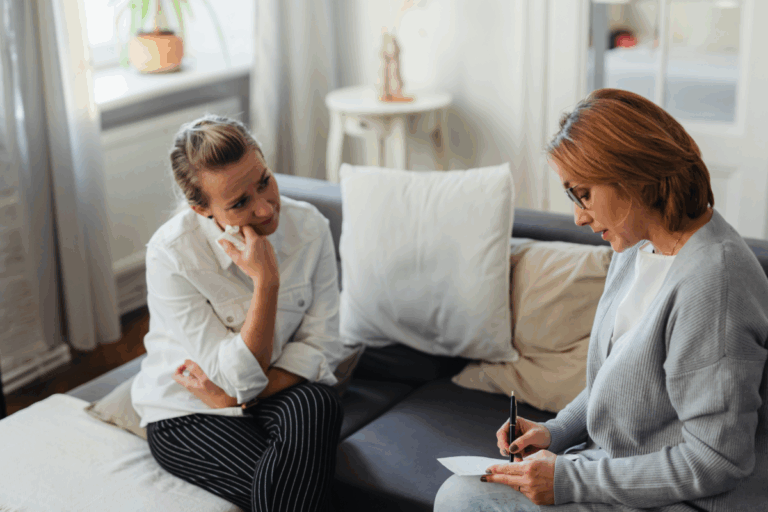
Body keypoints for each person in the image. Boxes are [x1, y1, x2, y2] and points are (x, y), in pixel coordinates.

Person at [434, 88, 768, 511]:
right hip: (612, 472)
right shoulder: (636, 246)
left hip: (675, 500)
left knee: (463, 498)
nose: (578, 216)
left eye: (583, 193)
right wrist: (556, 431)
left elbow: (717, 460)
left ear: (632, 176)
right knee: (464, 492)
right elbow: (615, 381)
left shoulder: (715, 285)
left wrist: (570, 479)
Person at [131, 115, 352, 512]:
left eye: (264, 181)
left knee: (319, 403)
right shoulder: (172, 254)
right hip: (188, 411)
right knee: (306, 492)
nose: (266, 209)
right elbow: (229, 377)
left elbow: (322, 345)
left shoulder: (311, 227)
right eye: (240, 203)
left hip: (269, 390)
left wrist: (231, 397)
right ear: (202, 210)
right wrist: (266, 284)